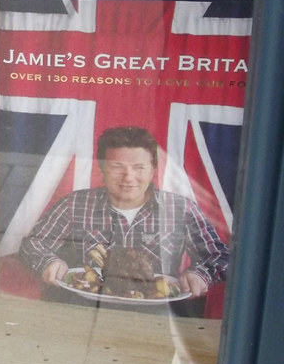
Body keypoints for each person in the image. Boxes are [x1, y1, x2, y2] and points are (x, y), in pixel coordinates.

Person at [19, 126, 230, 297]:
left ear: (152, 170)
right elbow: (33, 244)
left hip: (156, 313)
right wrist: (49, 262)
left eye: (139, 167)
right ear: (102, 168)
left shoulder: (181, 209)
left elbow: (221, 256)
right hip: (84, 307)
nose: (128, 177)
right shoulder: (74, 205)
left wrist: (201, 275)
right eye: (117, 166)